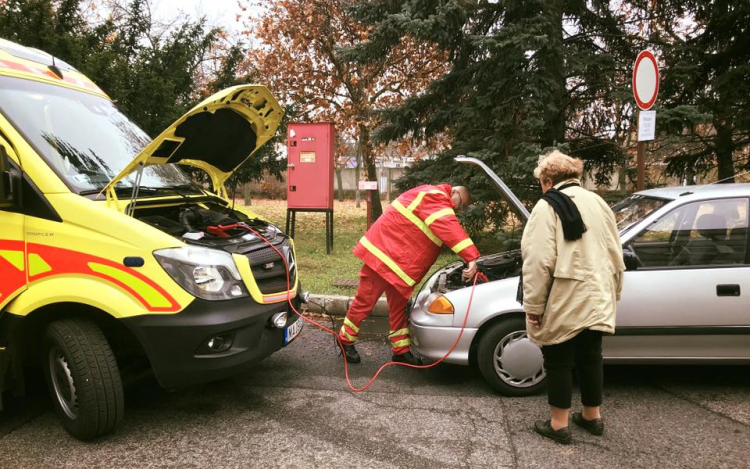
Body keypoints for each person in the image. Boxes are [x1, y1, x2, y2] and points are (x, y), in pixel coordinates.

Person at [520, 150, 624, 444]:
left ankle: (558, 424)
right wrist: (614, 291)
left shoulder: (547, 206)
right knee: (592, 356)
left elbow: (538, 260)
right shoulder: (599, 202)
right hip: (598, 291)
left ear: (548, 180)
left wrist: (534, 306)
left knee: (558, 358)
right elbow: (616, 251)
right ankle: (592, 416)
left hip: (565, 293)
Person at [338, 184, 480, 365]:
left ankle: (401, 350)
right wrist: (471, 256)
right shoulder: (435, 196)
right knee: (365, 302)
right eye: (460, 204)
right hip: (383, 258)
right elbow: (448, 227)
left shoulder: (434, 197)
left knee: (399, 307)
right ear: (454, 192)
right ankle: (345, 340)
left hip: (396, 261)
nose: (458, 209)